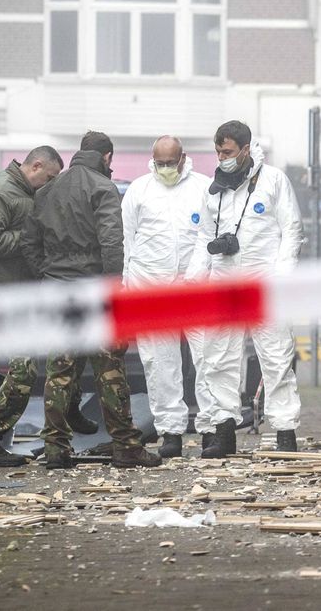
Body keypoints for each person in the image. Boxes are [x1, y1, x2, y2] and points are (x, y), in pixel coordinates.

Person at [20, 131, 161, 469]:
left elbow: (29, 242)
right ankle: (126, 446)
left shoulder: (49, 188)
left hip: (59, 290)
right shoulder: (102, 188)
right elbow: (112, 244)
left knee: (59, 370)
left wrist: (48, 274)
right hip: (96, 290)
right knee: (109, 370)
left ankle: (55, 449)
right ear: (107, 158)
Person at [0, 146, 100, 466]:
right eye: (50, 177)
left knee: (60, 354)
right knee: (23, 369)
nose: (50, 184)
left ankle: (66, 412)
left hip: (26, 292)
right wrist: (33, 238)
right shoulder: (0, 191)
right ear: (36, 166)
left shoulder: (26, 192)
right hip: (5, 295)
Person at [186, 120, 303, 455]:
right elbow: (204, 239)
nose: (222, 157)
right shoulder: (214, 190)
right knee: (218, 359)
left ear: (246, 148)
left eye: (228, 151)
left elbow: (291, 230)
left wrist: (282, 277)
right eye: (218, 151)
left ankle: (284, 432)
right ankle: (224, 432)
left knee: (276, 357)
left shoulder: (273, 181)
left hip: (264, 283)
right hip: (224, 284)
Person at [121, 135, 210, 459]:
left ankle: (210, 429)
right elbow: (127, 241)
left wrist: (197, 275)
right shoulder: (139, 190)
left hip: (196, 286)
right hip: (151, 287)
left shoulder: (203, 187)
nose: (166, 169)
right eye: (161, 163)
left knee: (208, 359)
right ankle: (170, 432)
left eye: (171, 162)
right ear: (152, 159)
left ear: (183, 158)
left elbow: (208, 236)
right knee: (160, 363)